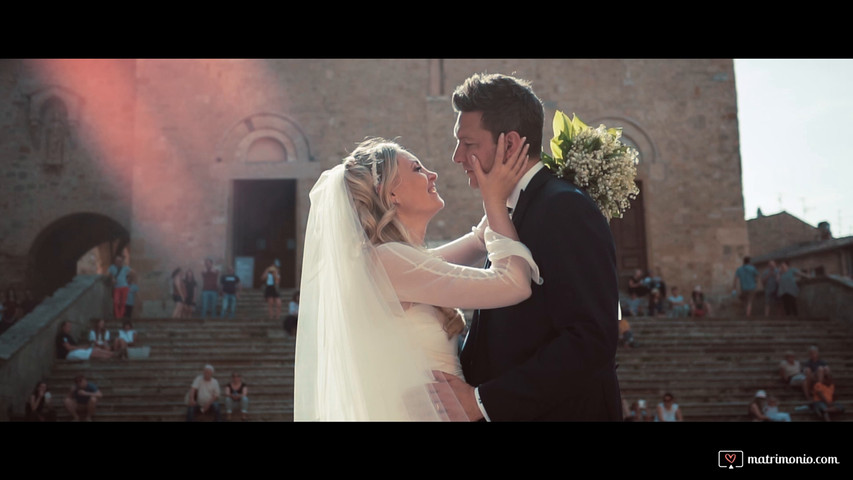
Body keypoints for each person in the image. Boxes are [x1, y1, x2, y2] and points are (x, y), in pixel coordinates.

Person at [294, 134, 540, 421]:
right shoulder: (389, 262)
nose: (432, 174)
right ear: (390, 193)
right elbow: (513, 285)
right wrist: (494, 200)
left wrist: (511, 187)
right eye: (417, 169)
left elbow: (478, 241)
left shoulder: (396, 262)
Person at [450, 72, 622, 421]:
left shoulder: (563, 207)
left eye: (468, 144)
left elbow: (591, 339)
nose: (457, 157)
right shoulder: (509, 210)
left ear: (509, 144)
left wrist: (481, 401)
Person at [108, 255, 131, 319]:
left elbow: (129, 276)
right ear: (115, 261)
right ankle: (117, 316)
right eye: (117, 260)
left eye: (120, 261)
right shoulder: (112, 267)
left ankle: (121, 316)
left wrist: (128, 281)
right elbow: (110, 275)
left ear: (122, 261)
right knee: (116, 302)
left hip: (125, 287)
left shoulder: (126, 268)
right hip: (116, 287)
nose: (119, 262)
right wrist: (112, 278)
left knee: (123, 302)